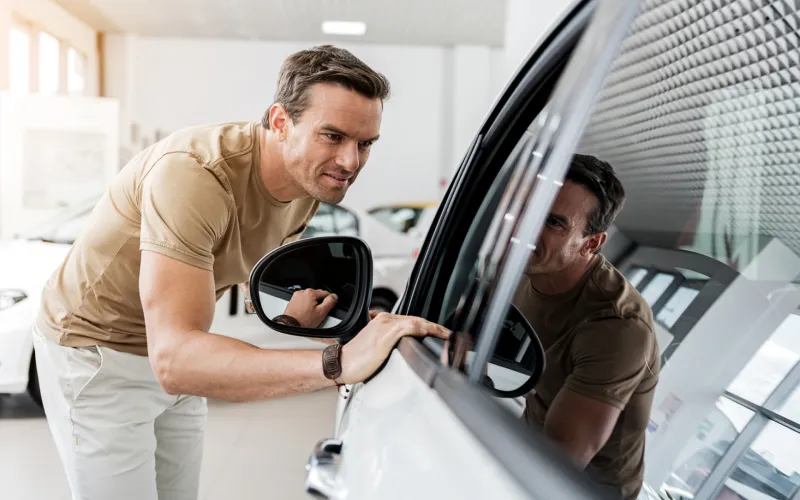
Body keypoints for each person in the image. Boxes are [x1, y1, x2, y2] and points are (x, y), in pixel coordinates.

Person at [32, 44, 449, 500]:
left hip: (184, 348)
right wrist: (337, 364)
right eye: (332, 136)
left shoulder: (308, 184)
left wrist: (309, 321)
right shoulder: (193, 176)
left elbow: (247, 287)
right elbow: (173, 359)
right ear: (279, 122)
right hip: (97, 352)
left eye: (364, 143)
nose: (350, 162)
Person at [513, 154, 659, 500]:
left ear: (590, 243)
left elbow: (555, 461)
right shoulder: (520, 266)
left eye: (553, 222)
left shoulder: (617, 325)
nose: (528, 229)